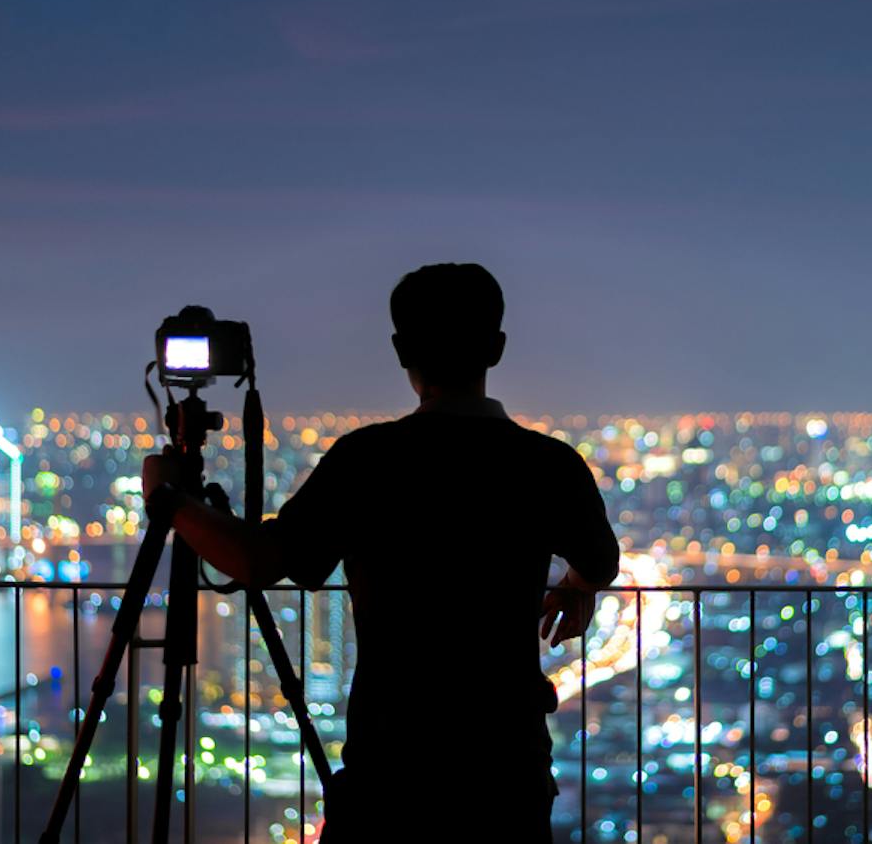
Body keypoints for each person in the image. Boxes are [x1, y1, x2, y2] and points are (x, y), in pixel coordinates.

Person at [142, 262, 620, 840]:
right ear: (496, 348)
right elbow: (601, 562)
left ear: (401, 351)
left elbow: (258, 560)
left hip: (391, 769)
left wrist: (170, 500)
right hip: (506, 768)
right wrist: (577, 588)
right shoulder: (548, 464)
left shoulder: (367, 460)